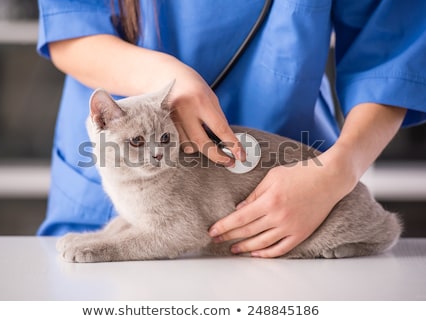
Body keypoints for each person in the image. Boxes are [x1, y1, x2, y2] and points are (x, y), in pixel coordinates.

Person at [36, 0, 426, 258]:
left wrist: (338, 170)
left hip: (295, 182)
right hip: (120, 161)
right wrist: (170, 80)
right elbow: (69, 26)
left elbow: (390, 54)